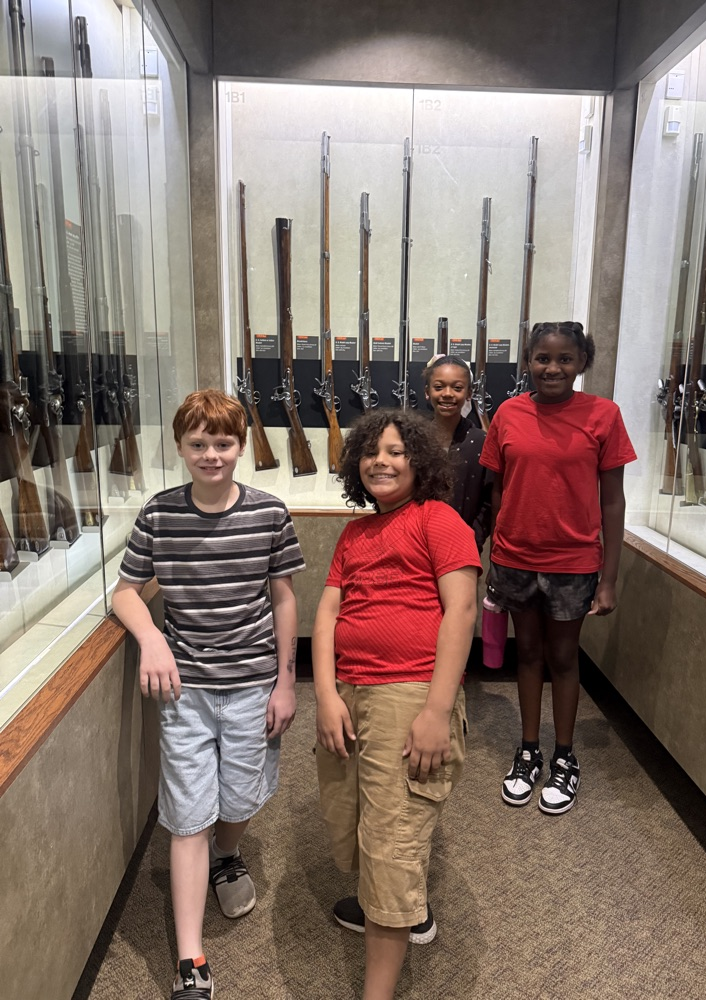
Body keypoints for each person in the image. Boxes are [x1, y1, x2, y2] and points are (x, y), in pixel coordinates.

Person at [111, 389, 304, 999]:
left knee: (239, 798)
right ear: (180, 448)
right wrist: (153, 637)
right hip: (186, 692)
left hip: (252, 686)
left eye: (223, 443)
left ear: (241, 447)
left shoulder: (269, 513)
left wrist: (286, 680)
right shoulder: (160, 514)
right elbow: (124, 592)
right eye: (199, 444)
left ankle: (230, 854)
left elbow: (283, 598)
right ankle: (191, 960)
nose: (212, 455)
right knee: (188, 815)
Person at [312, 409, 481, 1000]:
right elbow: (328, 614)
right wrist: (327, 695)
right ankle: (400, 909)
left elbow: (460, 612)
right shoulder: (354, 534)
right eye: (370, 452)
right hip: (350, 693)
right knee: (352, 818)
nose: (381, 461)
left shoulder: (439, 520)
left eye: (396, 452)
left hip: (406, 693)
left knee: (390, 841)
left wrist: (435, 711)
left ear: (420, 462)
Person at [480, 321, 636, 814]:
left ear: (581, 363)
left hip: (573, 562)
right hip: (515, 558)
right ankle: (528, 751)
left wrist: (608, 578)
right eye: (543, 358)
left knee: (564, 659)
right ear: (528, 360)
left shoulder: (603, 415)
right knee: (526, 654)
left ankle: (565, 757)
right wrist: (498, 549)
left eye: (565, 359)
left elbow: (613, 501)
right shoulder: (507, 413)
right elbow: (498, 489)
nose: (553, 368)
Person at [423, 354, 493, 551]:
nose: (447, 394)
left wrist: (473, 538)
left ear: (469, 393)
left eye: (457, 388)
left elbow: (489, 500)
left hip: (464, 546)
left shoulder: (481, 441)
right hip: (415, 544)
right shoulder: (413, 439)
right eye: (439, 387)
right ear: (427, 392)